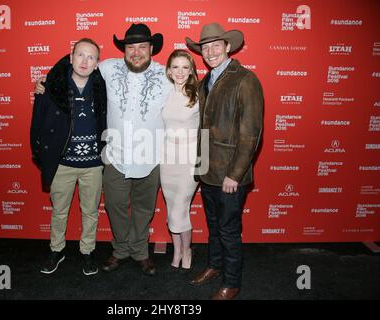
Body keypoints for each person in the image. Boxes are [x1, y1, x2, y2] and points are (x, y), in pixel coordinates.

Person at [34, 24, 171, 276]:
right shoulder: (107, 68)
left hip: (150, 157)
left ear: (152, 49)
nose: (136, 52)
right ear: (124, 50)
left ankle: (140, 252)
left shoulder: (167, 76)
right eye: (131, 47)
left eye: (142, 47)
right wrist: (46, 82)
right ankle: (120, 250)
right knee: (115, 206)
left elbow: (188, 95)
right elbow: (76, 64)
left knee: (144, 209)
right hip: (114, 157)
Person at [185, 23, 264, 299]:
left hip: (230, 175)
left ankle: (232, 282)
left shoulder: (245, 79)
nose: (210, 51)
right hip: (208, 169)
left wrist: (235, 174)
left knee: (229, 231)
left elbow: (251, 134)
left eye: (216, 45)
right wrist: (200, 164)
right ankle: (215, 266)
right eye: (205, 48)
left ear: (228, 47)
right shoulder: (207, 80)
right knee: (214, 226)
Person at [30, 38, 107, 276]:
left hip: (93, 165)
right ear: (71, 57)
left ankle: (88, 251)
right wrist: (43, 157)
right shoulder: (51, 87)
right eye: (80, 55)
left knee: (91, 212)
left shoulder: (103, 89)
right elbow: (37, 126)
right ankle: (57, 250)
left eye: (91, 57)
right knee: (59, 211)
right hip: (62, 164)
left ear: (97, 64)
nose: (85, 61)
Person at [160, 49, 199, 271]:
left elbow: (205, 129)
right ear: (168, 70)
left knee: (179, 209)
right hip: (167, 158)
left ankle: (187, 249)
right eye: (176, 67)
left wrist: (202, 164)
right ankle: (177, 250)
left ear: (191, 70)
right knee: (171, 207)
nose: (180, 72)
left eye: (185, 67)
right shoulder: (164, 93)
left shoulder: (198, 93)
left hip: (190, 159)